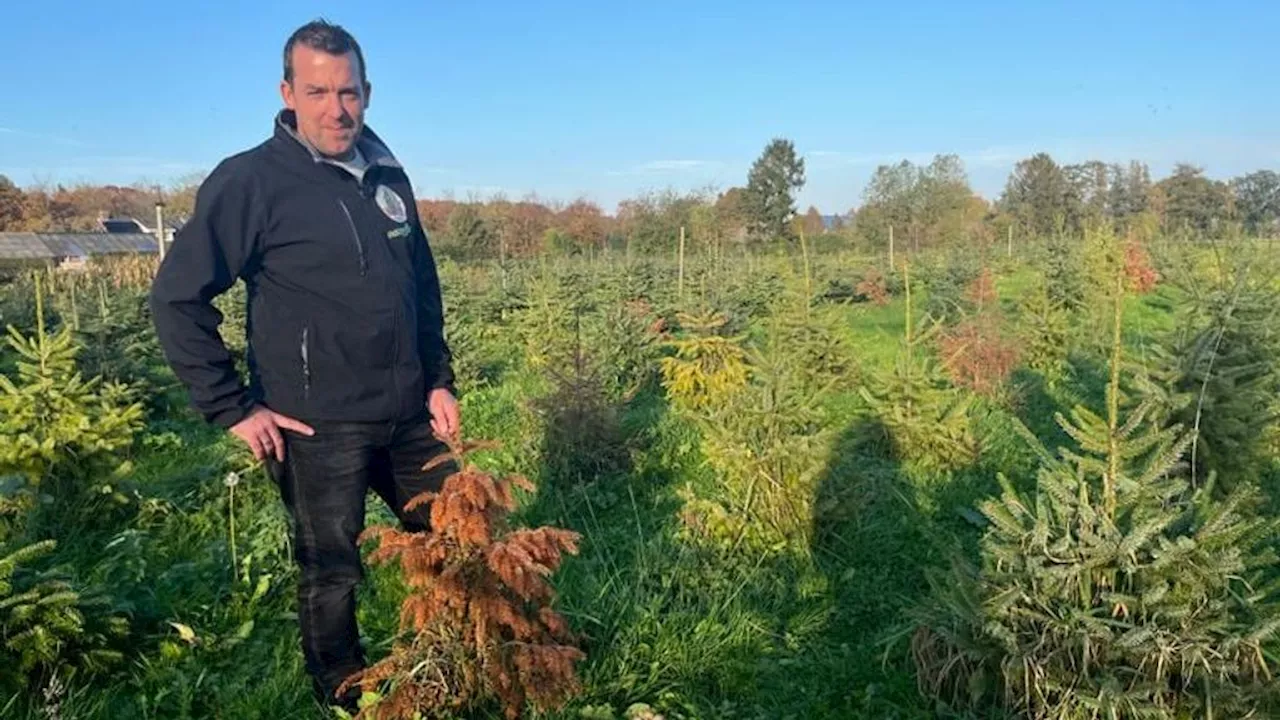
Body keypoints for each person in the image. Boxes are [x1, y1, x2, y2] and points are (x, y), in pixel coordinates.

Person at [149, 18, 460, 712]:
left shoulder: (386, 173)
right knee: (332, 570)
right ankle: (343, 693)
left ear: (368, 93)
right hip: (317, 426)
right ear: (287, 92)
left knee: (452, 542)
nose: (335, 109)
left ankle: (451, 661)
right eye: (317, 92)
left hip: (410, 413)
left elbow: (422, 285)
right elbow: (176, 297)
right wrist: (233, 405)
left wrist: (439, 378)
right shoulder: (250, 182)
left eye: (347, 92)